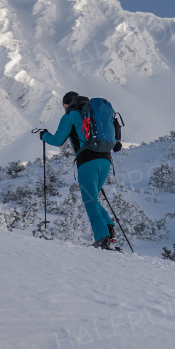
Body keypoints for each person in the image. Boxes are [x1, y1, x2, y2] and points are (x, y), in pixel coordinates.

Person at [41, 92, 121, 249]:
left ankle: (102, 239)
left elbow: (57, 140)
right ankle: (109, 230)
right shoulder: (93, 115)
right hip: (105, 159)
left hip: (88, 161)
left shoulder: (70, 115)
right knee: (94, 198)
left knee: (90, 201)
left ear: (66, 105)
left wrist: (44, 135)